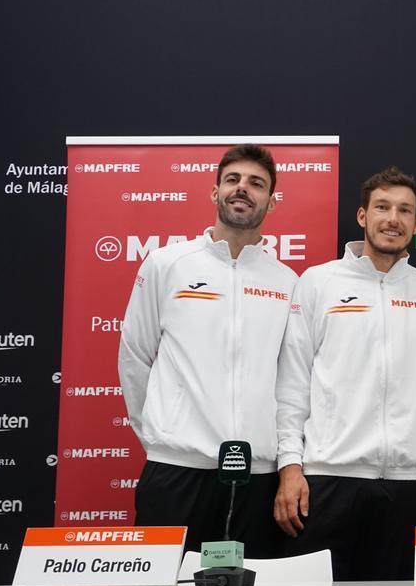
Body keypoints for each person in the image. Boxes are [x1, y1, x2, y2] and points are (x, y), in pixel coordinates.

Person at [274, 168, 416, 580]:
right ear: (362, 216)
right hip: (327, 480)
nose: (393, 218)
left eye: (404, 210)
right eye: (383, 207)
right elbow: (292, 384)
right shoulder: (318, 283)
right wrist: (290, 466)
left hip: (408, 486)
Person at [119, 143, 297, 556]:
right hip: (176, 472)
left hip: (258, 478)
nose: (242, 189)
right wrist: (164, 438)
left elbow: (289, 383)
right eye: (232, 180)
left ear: (271, 202)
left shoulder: (287, 280)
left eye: (256, 184)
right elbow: (135, 358)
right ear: (214, 192)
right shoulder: (166, 264)